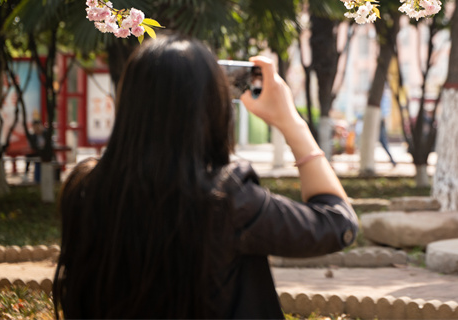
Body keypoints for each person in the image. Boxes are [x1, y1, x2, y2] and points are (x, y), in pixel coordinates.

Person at [54, 35, 358, 319]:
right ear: (212, 108)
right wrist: (291, 122)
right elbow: (337, 224)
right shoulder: (227, 198)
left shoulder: (84, 189)